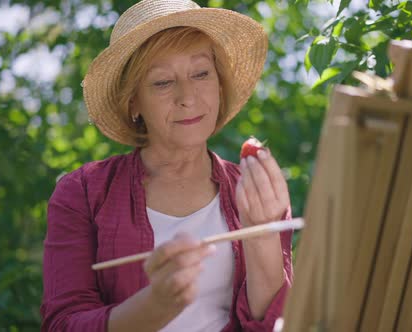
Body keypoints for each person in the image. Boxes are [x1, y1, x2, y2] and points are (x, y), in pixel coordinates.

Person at [40, 0, 293, 331]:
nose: (187, 96)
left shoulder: (254, 189)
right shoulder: (84, 193)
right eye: (162, 82)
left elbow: (275, 324)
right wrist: (156, 306)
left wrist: (262, 237)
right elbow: (63, 324)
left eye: (201, 73)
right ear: (133, 102)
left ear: (219, 83)